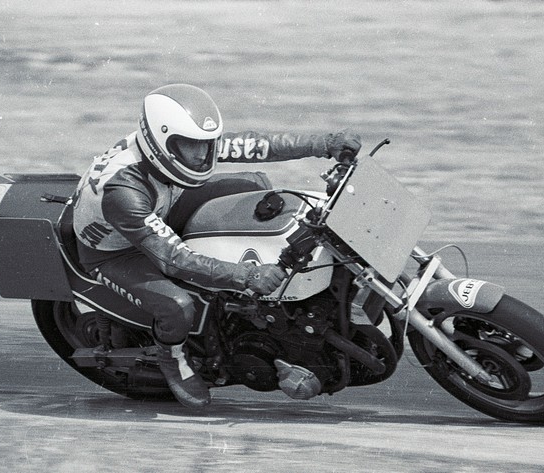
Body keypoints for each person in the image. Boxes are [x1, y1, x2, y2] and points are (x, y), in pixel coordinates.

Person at [71, 84, 361, 408]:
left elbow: (257, 145)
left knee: (254, 186)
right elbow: (174, 259)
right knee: (178, 306)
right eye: (191, 146)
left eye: (206, 144)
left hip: (162, 204)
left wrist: (325, 144)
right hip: (115, 252)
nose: (201, 155)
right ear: (160, 143)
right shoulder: (123, 192)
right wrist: (246, 276)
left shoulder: (176, 148)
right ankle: (172, 357)